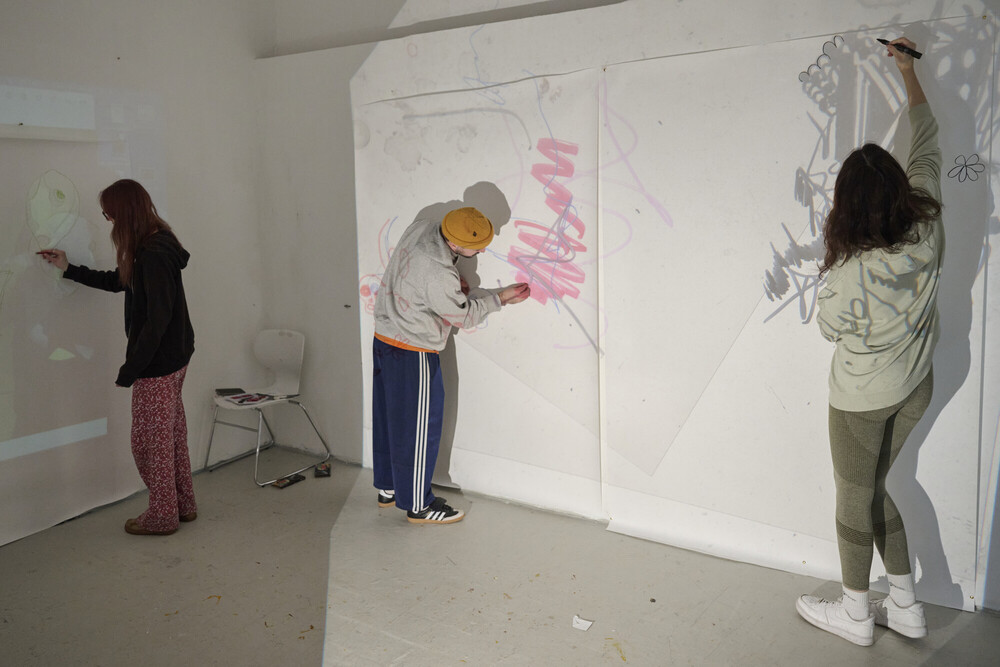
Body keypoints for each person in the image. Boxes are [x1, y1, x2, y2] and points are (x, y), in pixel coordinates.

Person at [795, 37, 941, 646]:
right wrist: (908, 72)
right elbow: (926, 129)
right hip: (916, 386)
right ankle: (904, 606)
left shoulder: (846, 276)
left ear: (847, 209)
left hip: (859, 401)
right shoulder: (930, 219)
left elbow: (829, 328)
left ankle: (856, 613)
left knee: (853, 499)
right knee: (877, 490)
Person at [39, 179, 196, 536]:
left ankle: (162, 516)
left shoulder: (153, 254)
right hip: (176, 356)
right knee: (170, 435)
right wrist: (69, 268)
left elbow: (157, 320)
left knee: (149, 445)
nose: (108, 221)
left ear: (123, 213)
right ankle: (182, 505)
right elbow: (120, 282)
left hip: (159, 364)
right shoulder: (156, 243)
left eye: (109, 215)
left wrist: (132, 369)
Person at [372, 206, 530, 524]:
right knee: (419, 428)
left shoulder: (422, 227)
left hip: (384, 336)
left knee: (389, 419)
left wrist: (455, 285)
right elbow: (463, 316)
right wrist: (500, 298)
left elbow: (427, 280)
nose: (483, 249)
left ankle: (389, 488)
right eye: (478, 245)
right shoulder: (438, 272)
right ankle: (419, 504)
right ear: (456, 244)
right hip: (412, 350)